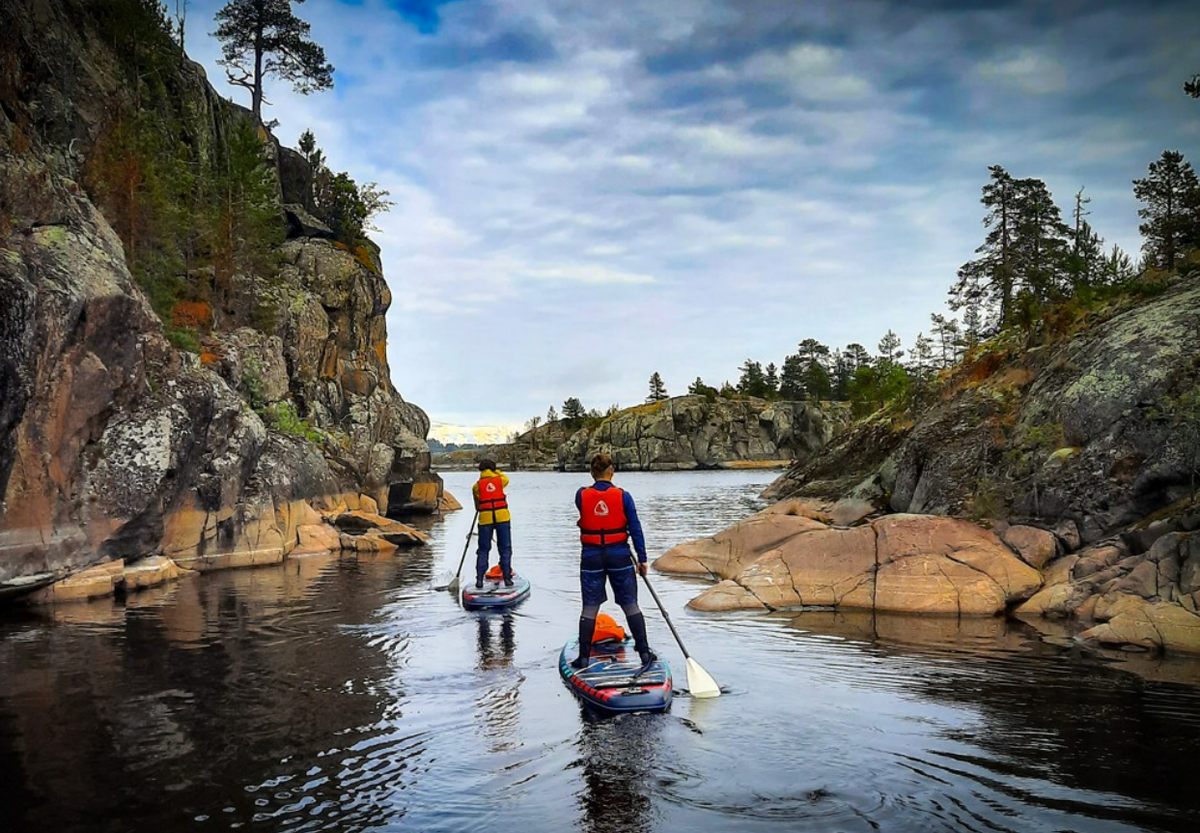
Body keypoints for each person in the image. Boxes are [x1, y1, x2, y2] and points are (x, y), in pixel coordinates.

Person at [572, 452, 656, 670]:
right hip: (619, 555)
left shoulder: (581, 495)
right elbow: (635, 529)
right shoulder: (624, 496)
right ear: (612, 472)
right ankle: (645, 653)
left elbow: (589, 509)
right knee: (630, 604)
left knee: (590, 607)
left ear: (592, 473)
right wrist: (642, 559)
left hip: (591, 556)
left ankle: (583, 657)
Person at [472, 458, 513, 588]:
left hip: (485, 519)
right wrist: (496, 472)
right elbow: (506, 478)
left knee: (483, 549)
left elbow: (477, 505)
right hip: (502, 518)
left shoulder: (476, 486)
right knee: (505, 548)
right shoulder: (501, 480)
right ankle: (507, 578)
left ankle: (479, 580)